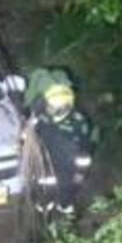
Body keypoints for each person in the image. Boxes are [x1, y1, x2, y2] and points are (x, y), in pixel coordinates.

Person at [24, 68, 95, 217]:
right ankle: (44, 212)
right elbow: (28, 138)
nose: (50, 110)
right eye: (49, 106)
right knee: (44, 189)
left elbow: (84, 150)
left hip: (68, 169)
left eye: (54, 108)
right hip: (45, 166)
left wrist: (80, 173)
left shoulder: (78, 123)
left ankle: (65, 211)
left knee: (66, 192)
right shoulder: (41, 119)